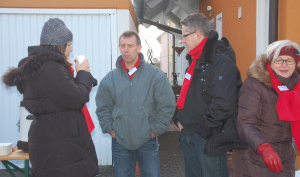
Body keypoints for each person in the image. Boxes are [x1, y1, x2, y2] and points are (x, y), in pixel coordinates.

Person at [2, 18, 98, 177]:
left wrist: (85, 80)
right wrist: (83, 72)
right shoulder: (50, 68)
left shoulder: (42, 67)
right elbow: (77, 98)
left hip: (51, 139)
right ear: (58, 46)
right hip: (61, 144)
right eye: (68, 45)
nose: (71, 49)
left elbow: (62, 96)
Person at [95, 30, 175, 177]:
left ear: (139, 48)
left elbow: (167, 105)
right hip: (120, 141)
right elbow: (102, 107)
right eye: (123, 45)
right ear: (119, 47)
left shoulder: (155, 75)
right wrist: (110, 129)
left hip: (147, 141)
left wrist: (155, 129)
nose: (126, 49)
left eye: (130, 46)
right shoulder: (110, 79)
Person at [174, 13, 245, 177]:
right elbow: (188, 96)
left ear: (197, 34)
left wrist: (201, 132)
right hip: (189, 135)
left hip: (208, 138)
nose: (182, 40)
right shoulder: (194, 61)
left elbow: (223, 105)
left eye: (184, 35)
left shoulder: (221, 62)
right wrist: (178, 119)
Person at [231, 40, 300, 177]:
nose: (284, 65)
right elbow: (244, 124)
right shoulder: (255, 85)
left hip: (285, 159)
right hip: (253, 160)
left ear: (296, 63)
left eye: (290, 60)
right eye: (279, 60)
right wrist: (264, 148)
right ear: (270, 61)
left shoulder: (296, 87)